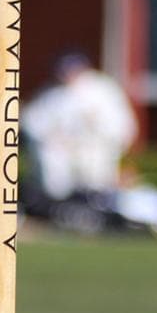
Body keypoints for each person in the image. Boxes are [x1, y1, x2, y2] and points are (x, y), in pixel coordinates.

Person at [23, 52, 138, 206]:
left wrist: (94, 131)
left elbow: (121, 127)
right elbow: (33, 122)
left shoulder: (103, 90)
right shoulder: (52, 94)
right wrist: (55, 138)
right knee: (52, 159)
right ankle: (56, 204)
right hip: (63, 151)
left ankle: (94, 204)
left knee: (94, 171)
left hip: (95, 149)